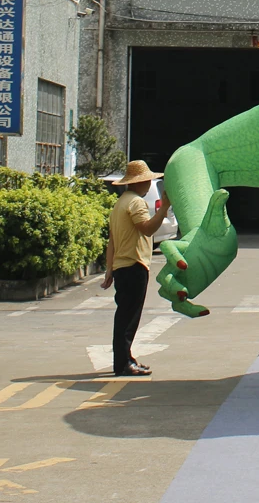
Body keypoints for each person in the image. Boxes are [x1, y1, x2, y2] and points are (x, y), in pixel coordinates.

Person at [101, 160, 173, 377]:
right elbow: (148, 229)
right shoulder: (136, 203)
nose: (150, 183)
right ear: (140, 182)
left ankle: (126, 358)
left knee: (125, 315)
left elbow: (112, 241)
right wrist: (165, 209)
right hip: (134, 264)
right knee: (128, 317)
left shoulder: (120, 203)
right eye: (148, 180)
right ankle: (123, 364)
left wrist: (109, 269)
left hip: (123, 265)